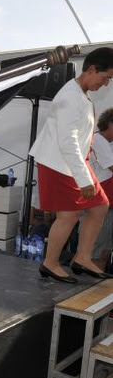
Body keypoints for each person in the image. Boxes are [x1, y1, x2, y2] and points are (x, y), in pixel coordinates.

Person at [30, 47, 113, 283]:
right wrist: (84, 179)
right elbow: (68, 142)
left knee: (100, 206)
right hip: (59, 162)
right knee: (69, 215)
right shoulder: (70, 96)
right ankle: (50, 263)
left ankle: (83, 258)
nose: (106, 84)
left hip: (74, 161)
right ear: (92, 69)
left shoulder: (80, 94)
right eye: (105, 78)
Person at [86, 108, 113, 272]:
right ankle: (87, 289)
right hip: (98, 202)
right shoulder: (99, 140)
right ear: (110, 124)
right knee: (93, 252)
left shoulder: (107, 143)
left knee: (103, 251)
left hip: (107, 203)